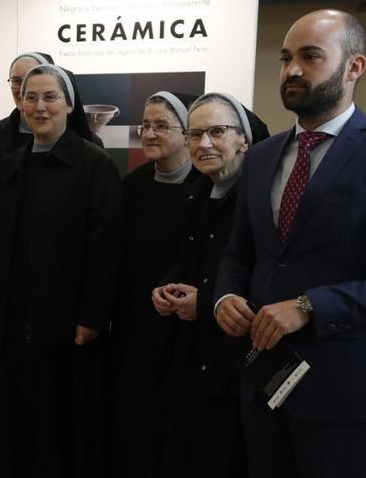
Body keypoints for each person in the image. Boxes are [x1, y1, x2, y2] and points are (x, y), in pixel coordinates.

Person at [214, 9, 366, 478]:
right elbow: (239, 252)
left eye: (310, 56)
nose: (292, 70)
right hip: (263, 376)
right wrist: (224, 297)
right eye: (285, 59)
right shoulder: (260, 157)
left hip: (341, 384)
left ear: (354, 67)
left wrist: (308, 306)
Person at [0, 64, 122, 477]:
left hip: (66, 328)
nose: (39, 107)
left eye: (50, 97)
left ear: (69, 104)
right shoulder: (8, 168)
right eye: (30, 97)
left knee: (61, 422)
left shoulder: (95, 167)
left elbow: (105, 251)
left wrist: (91, 316)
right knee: (13, 417)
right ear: (20, 104)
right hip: (11, 322)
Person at [151, 92, 269, 477]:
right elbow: (185, 262)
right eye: (195, 133)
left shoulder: (264, 200)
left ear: (245, 140)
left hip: (240, 362)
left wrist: (204, 304)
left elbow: (268, 280)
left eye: (216, 132)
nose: (203, 144)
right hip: (191, 357)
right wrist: (167, 289)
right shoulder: (195, 193)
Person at [116, 90, 201, 477]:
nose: (148, 133)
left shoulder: (206, 187)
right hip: (137, 323)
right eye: (145, 125)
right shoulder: (131, 186)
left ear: (186, 134)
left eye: (160, 126)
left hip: (188, 325)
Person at [0, 51, 54, 423]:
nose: (22, 90)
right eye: (16, 81)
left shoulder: (85, 149)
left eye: (31, 80)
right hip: (4, 280)